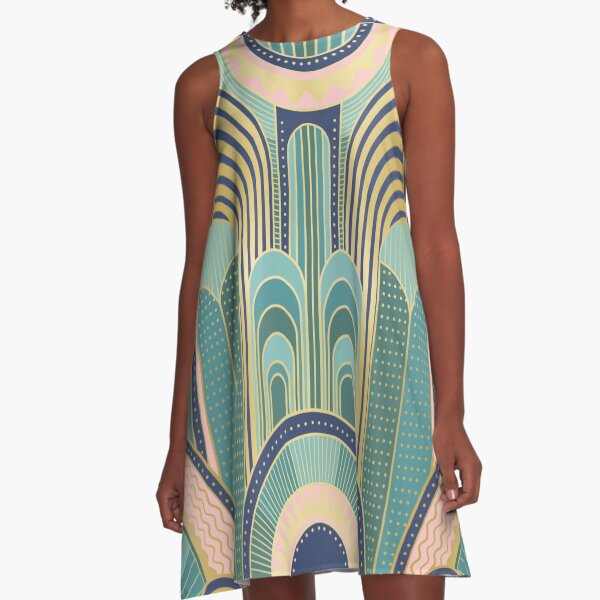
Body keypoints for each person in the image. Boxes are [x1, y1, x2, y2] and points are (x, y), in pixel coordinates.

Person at [156, 1, 482, 599]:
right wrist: (180, 442)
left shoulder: (409, 60)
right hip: (258, 396)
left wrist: (452, 413)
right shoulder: (206, 86)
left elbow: (436, 243)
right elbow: (200, 273)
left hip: (387, 378)